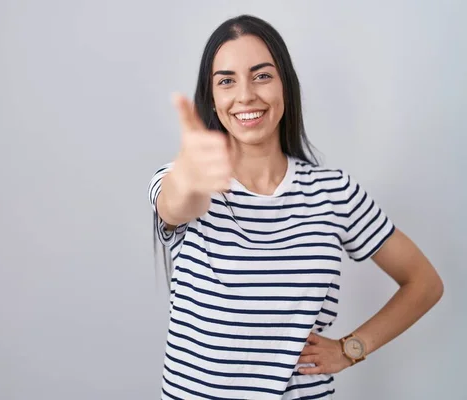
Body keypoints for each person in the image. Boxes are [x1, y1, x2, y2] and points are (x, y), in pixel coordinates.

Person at [147, 14, 444, 400]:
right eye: (226, 81)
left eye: (262, 75)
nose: (246, 95)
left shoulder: (334, 191)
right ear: (213, 99)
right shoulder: (177, 180)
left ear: (285, 85)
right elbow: (177, 205)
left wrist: (352, 349)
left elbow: (425, 283)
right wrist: (192, 174)